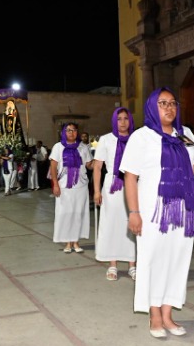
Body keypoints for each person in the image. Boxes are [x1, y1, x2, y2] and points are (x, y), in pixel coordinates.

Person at [120, 87, 194, 338]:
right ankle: (154, 315)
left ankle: (168, 314)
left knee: (178, 259)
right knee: (152, 259)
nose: (169, 107)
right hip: (152, 211)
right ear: (152, 107)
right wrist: (134, 212)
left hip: (183, 208)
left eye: (173, 103)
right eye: (163, 103)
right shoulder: (141, 137)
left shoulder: (184, 134)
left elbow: (193, 167)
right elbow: (130, 177)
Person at [93, 107, 136, 281]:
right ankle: (113, 264)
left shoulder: (136, 139)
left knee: (132, 223)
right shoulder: (106, 140)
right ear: (114, 121)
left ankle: (133, 264)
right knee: (112, 224)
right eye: (119, 119)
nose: (123, 122)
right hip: (112, 186)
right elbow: (97, 167)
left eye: (126, 118)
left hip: (133, 184)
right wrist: (96, 191)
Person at [50, 123, 94, 253]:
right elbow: (53, 167)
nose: (71, 133)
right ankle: (68, 243)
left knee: (78, 214)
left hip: (81, 186)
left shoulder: (83, 147)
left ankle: (76, 242)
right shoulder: (58, 147)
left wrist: (100, 158)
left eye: (74, 130)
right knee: (66, 214)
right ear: (64, 132)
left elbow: (89, 165)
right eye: (68, 130)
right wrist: (55, 184)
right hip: (64, 187)